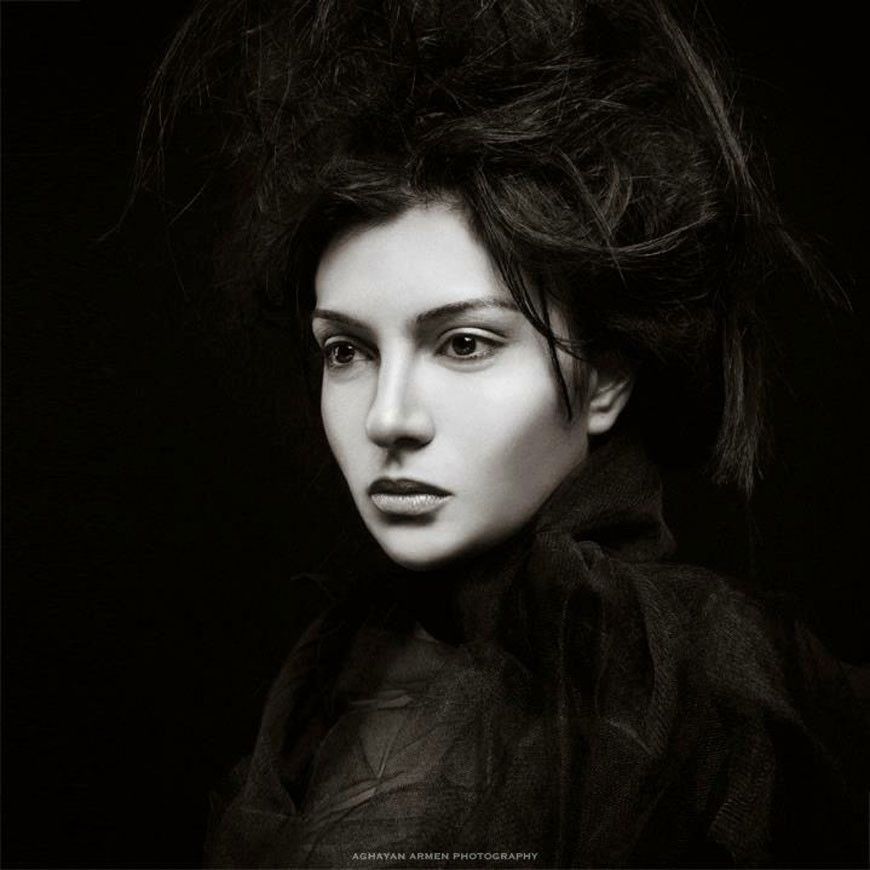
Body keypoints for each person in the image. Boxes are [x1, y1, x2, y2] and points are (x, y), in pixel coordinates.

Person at [138, 0, 869, 865]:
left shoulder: (702, 694)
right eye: (347, 351)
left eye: (465, 344)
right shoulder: (330, 680)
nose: (388, 418)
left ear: (606, 380)